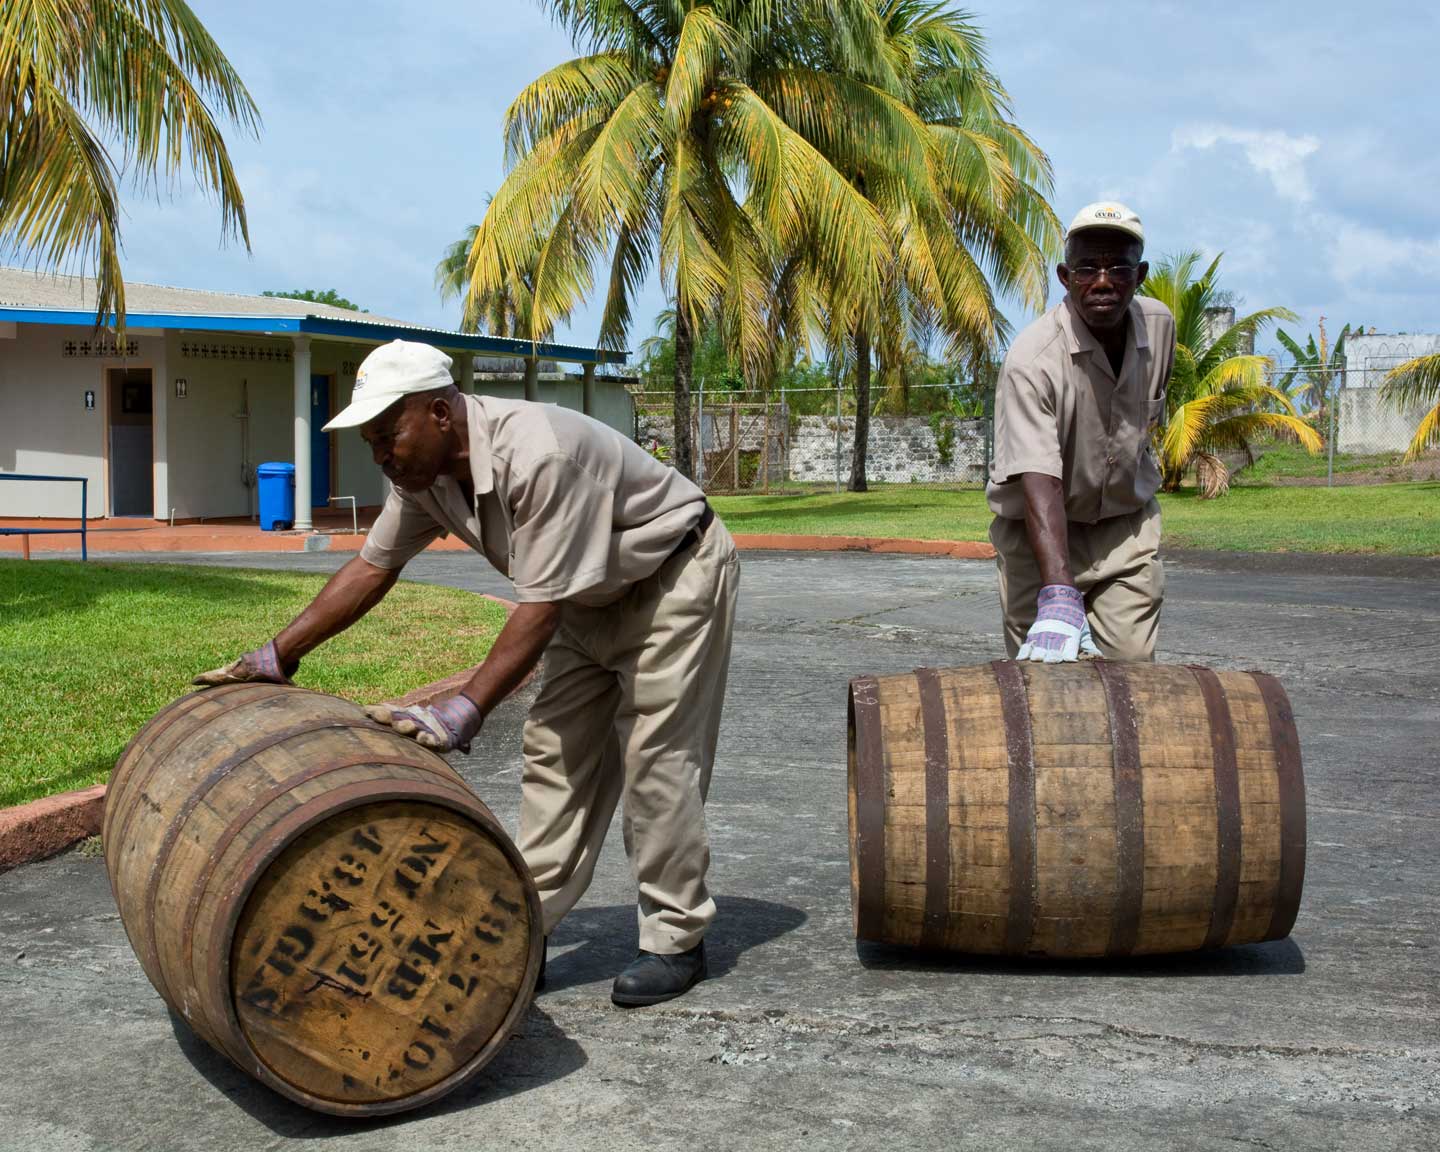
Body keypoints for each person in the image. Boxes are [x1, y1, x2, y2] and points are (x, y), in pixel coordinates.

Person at [196, 339, 739, 1007]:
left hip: (669, 580)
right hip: (582, 596)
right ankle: (524, 927)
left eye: (386, 434)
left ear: (440, 413)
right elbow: (372, 568)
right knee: (553, 754)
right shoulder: (422, 479)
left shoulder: (539, 454)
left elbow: (538, 606)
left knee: (657, 759)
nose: (379, 455)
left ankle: (675, 938)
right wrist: (279, 655)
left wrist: (463, 708)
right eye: (369, 441)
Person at [985, 201, 1176, 663]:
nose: (1104, 281)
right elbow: (1039, 480)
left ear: (1141, 274)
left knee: (1130, 669)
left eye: (1119, 267)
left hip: (1122, 533)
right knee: (1046, 684)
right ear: (1065, 277)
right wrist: (1058, 594)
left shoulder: (1160, 327)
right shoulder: (1032, 361)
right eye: (1088, 267)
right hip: (1038, 534)